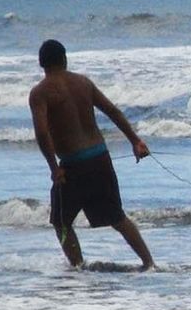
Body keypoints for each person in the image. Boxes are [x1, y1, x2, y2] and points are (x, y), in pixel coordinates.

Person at [28, 40, 154, 270]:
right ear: (64, 59)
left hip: (72, 165)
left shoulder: (40, 93)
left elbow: (42, 132)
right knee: (118, 218)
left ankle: (77, 267)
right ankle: (148, 262)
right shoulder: (83, 83)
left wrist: (53, 167)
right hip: (100, 158)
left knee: (60, 222)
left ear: (41, 63)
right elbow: (113, 111)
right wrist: (135, 141)